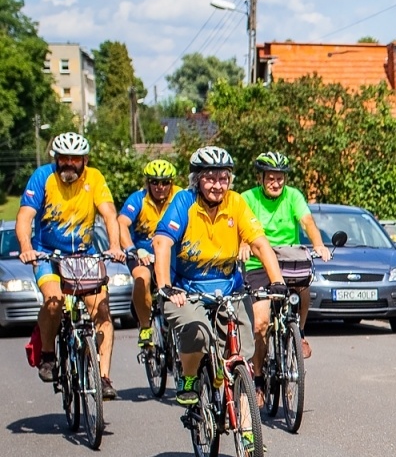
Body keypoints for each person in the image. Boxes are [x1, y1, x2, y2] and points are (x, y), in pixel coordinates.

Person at [151, 147, 286, 411]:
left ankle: (247, 435)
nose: (217, 185)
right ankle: (189, 379)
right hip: (186, 289)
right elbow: (162, 242)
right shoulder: (183, 202)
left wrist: (277, 280)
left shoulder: (235, 202)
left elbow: (259, 243)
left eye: (223, 178)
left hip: (229, 289)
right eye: (210, 178)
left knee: (244, 353)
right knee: (198, 331)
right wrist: (165, 286)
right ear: (197, 180)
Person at [15, 132, 125, 397]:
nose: (68, 164)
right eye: (63, 158)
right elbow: (24, 217)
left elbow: (110, 215)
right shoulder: (42, 177)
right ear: (55, 158)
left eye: (74, 159)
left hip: (83, 256)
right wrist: (27, 249)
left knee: (101, 312)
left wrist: (115, 246)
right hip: (47, 256)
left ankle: (104, 378)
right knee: (53, 302)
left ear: (84, 160)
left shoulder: (95, 178)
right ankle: (49, 354)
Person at [241, 151, 330, 373]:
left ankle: (299, 331)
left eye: (279, 178)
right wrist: (242, 244)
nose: (275, 183)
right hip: (258, 263)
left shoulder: (293, 196)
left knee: (304, 286)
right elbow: (239, 226)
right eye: (270, 178)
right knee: (261, 324)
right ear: (260, 178)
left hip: (288, 260)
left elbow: (307, 221)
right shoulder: (248, 198)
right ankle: (259, 377)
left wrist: (318, 244)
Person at [117, 158, 180, 348]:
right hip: (142, 253)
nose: (160, 187)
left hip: (169, 253)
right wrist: (132, 249)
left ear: (172, 182)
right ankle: (145, 327)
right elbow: (121, 223)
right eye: (154, 182)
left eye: (165, 182)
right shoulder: (138, 199)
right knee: (142, 279)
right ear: (148, 183)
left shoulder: (180, 197)